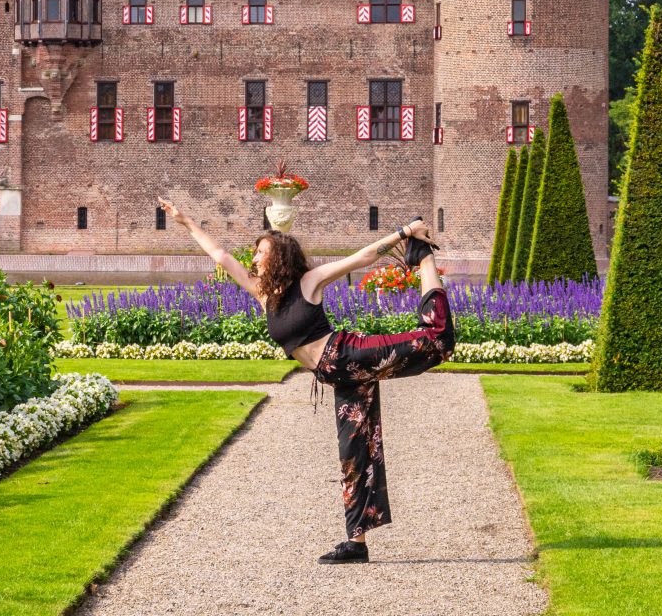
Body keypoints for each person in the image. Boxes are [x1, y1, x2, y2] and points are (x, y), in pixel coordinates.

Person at [157, 198, 455, 565]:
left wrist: (406, 233)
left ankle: (423, 257)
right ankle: (356, 543)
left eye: (261, 253)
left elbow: (359, 260)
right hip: (340, 378)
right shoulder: (264, 295)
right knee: (353, 454)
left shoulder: (308, 283)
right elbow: (220, 255)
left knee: (437, 340)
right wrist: (184, 221)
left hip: (348, 355)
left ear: (279, 256)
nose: (253, 260)